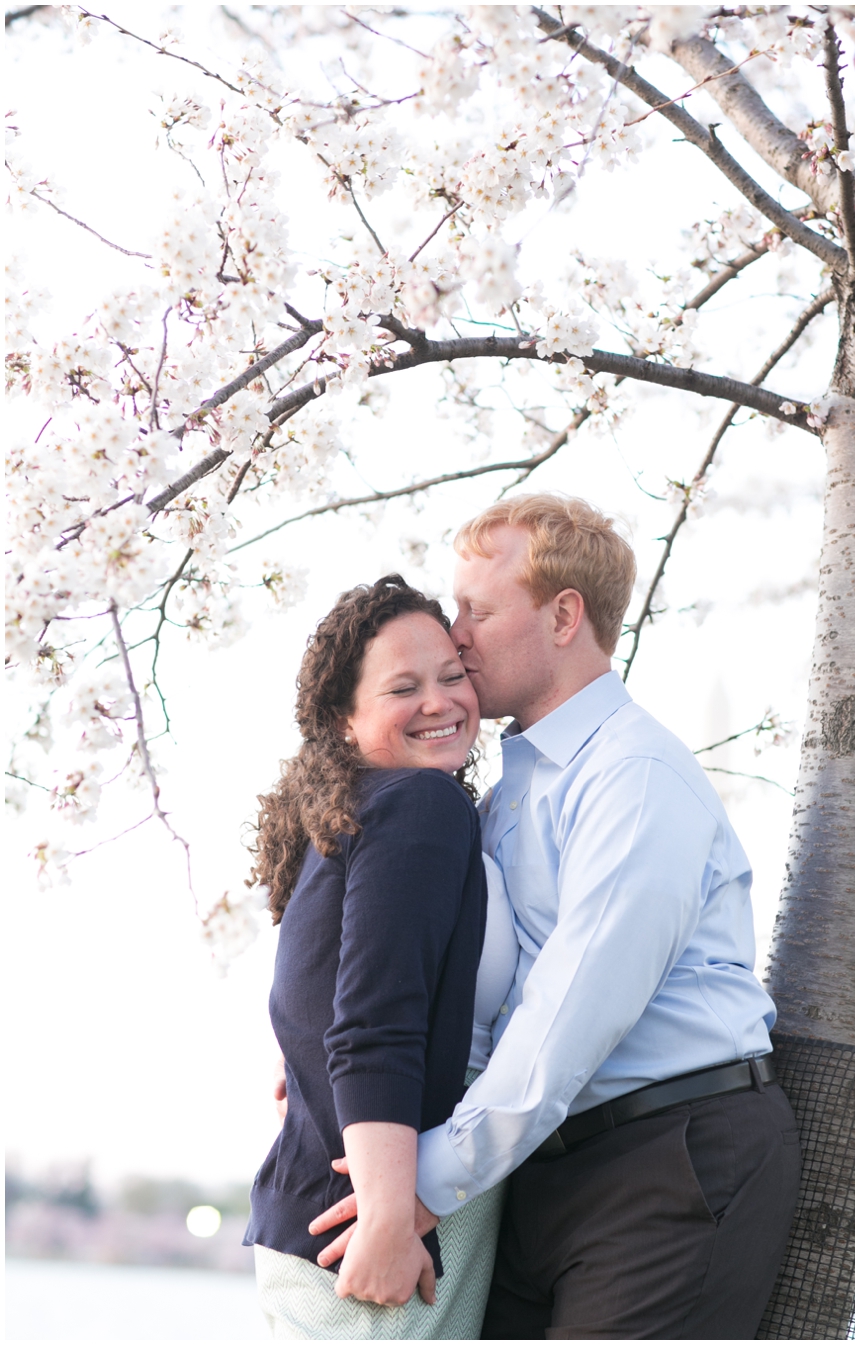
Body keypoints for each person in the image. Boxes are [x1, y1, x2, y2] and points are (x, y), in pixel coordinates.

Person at [312, 494, 802, 1340]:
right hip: (537, 1164)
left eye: (479, 609)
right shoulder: (509, 790)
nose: (455, 633)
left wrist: (414, 1191)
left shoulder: (634, 777)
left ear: (565, 614)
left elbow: (570, 1014)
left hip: (671, 1160)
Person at [243, 575, 518, 1339]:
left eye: (451, 676)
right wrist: (395, 1216)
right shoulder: (422, 803)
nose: (439, 701)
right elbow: (374, 1021)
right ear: (343, 719)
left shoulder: (359, 814)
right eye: (404, 686)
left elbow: (320, 1008)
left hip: (329, 1217)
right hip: (371, 1227)